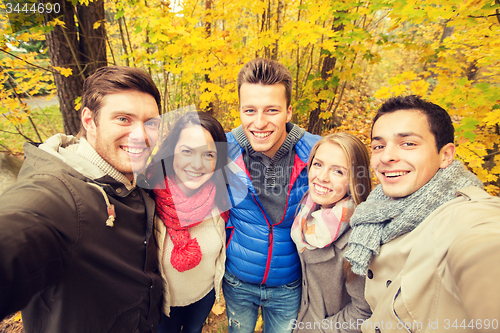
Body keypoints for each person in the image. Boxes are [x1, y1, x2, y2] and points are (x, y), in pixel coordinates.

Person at [0, 66, 163, 332]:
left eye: (151, 123)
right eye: (123, 119)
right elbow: (21, 229)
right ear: (89, 121)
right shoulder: (60, 195)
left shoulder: (132, 176)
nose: (142, 135)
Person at [344, 95, 500, 333]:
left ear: (446, 155)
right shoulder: (375, 211)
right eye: (379, 146)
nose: (386, 157)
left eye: (408, 144)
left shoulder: (464, 215)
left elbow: (483, 246)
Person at [223, 58, 321, 333]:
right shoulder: (221, 149)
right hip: (237, 281)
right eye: (250, 110)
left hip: (288, 285)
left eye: (272, 110)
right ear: (240, 111)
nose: (260, 122)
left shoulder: (317, 153)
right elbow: (170, 185)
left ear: (289, 112)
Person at [145, 112, 229, 333]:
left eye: (208, 154)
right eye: (187, 151)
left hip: (204, 296)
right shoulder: (147, 198)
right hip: (163, 305)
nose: (197, 164)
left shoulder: (221, 198)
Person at [290, 133, 372, 333]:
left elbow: (364, 310)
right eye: (318, 165)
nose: (322, 177)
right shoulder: (307, 209)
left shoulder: (359, 239)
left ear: (355, 179)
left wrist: (320, 329)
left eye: (338, 171)